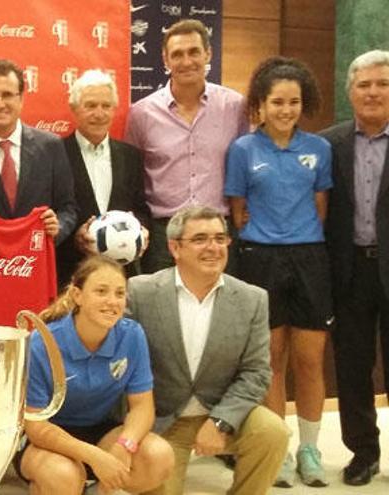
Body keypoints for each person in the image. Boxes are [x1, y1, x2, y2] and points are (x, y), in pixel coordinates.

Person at [224, 56, 333, 488]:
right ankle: (280, 446)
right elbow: (237, 210)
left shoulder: (319, 149)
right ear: (260, 105)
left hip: (309, 258)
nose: (286, 110)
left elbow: (321, 209)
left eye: (293, 102)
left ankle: (310, 448)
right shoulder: (243, 150)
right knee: (269, 360)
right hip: (259, 259)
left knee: (309, 360)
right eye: (277, 102)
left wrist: (298, 238)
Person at [127, 206, 288, 495]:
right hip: (162, 422)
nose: (213, 247)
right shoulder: (141, 293)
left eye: (220, 238)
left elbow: (256, 372)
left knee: (272, 431)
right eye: (200, 239)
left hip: (221, 412)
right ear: (175, 247)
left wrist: (221, 421)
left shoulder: (253, 299)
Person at [16, 255, 174, 494]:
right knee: (64, 476)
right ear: (77, 295)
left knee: (158, 457)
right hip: (46, 438)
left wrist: (125, 444)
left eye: (119, 293)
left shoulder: (132, 335)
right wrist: (95, 457)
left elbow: (142, 407)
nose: (112, 302)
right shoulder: (42, 344)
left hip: (101, 429)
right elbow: (37, 428)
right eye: (101, 291)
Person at [124, 19, 248, 274]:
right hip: (164, 236)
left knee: (219, 310)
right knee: (160, 312)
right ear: (166, 60)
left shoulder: (235, 107)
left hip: (218, 231)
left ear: (208, 54)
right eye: (177, 54)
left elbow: (247, 168)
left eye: (194, 52)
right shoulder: (141, 114)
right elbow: (130, 178)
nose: (186, 61)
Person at [321, 49, 389, 487]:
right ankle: (363, 452)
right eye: (364, 84)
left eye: (382, 84)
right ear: (350, 92)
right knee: (352, 366)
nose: (373, 92)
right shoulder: (328, 144)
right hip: (349, 272)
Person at [58, 69, 150, 286]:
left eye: (106, 106)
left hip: (120, 275)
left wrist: (142, 230)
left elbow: (141, 209)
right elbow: (51, 212)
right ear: (74, 108)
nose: (99, 114)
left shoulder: (131, 156)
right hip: (71, 273)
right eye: (90, 105)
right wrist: (76, 239)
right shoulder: (55, 153)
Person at [0, 59, 77, 246]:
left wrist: (57, 226)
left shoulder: (51, 146)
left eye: (7, 95)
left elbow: (68, 207)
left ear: (21, 98)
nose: (0, 103)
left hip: (36, 261)